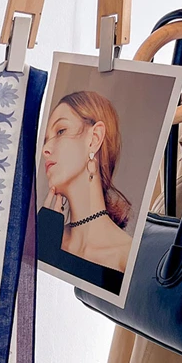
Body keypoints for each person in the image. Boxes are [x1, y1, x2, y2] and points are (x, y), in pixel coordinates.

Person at [39, 90, 133, 273]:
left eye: (60, 131)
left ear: (94, 139)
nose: (45, 149)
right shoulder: (47, 236)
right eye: (46, 140)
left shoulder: (126, 258)